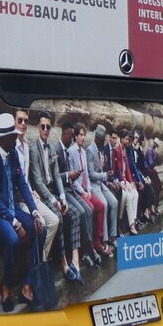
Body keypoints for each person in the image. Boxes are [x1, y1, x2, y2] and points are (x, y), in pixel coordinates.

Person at [0, 112, 47, 312]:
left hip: (12, 209)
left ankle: (27, 285)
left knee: (40, 229)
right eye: (12, 135)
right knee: (12, 239)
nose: (15, 138)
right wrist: (16, 224)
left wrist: (34, 212)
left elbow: (23, 185)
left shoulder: (13, 155)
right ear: (3, 138)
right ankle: (6, 286)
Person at [29, 111, 82, 282]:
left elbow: (57, 176)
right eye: (42, 126)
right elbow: (37, 181)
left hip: (53, 191)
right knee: (58, 216)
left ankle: (76, 261)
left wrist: (62, 198)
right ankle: (64, 264)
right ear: (38, 127)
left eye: (48, 127)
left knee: (74, 213)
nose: (45, 129)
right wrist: (54, 201)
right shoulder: (33, 150)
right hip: (43, 195)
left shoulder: (51, 148)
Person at [14, 109, 61, 264]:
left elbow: (26, 179)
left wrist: (32, 191)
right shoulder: (13, 147)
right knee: (40, 224)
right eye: (19, 120)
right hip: (20, 200)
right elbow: (16, 183)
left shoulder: (26, 146)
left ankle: (42, 260)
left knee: (54, 221)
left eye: (25, 121)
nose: (22, 124)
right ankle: (37, 266)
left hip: (30, 195)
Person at [63, 125, 106, 266]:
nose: (82, 138)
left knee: (98, 206)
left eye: (84, 135)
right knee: (89, 209)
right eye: (80, 135)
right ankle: (86, 250)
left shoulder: (82, 152)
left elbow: (86, 174)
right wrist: (83, 191)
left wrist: (89, 190)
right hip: (77, 190)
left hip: (86, 190)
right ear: (75, 136)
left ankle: (94, 243)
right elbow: (72, 180)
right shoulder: (71, 152)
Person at [86, 124, 119, 252]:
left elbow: (100, 169)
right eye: (101, 140)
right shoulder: (90, 150)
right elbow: (91, 174)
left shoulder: (99, 150)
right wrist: (105, 175)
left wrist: (107, 176)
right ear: (97, 139)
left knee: (114, 202)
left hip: (101, 184)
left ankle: (112, 235)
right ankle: (103, 240)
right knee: (104, 204)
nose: (102, 143)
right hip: (94, 185)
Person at [112, 128, 140, 234]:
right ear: (122, 139)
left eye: (129, 139)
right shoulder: (117, 150)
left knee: (135, 194)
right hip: (119, 179)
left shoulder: (125, 150)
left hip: (124, 179)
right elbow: (118, 171)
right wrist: (124, 181)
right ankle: (129, 224)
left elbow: (127, 168)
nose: (128, 141)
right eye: (127, 139)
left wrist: (131, 181)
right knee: (127, 196)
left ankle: (133, 220)